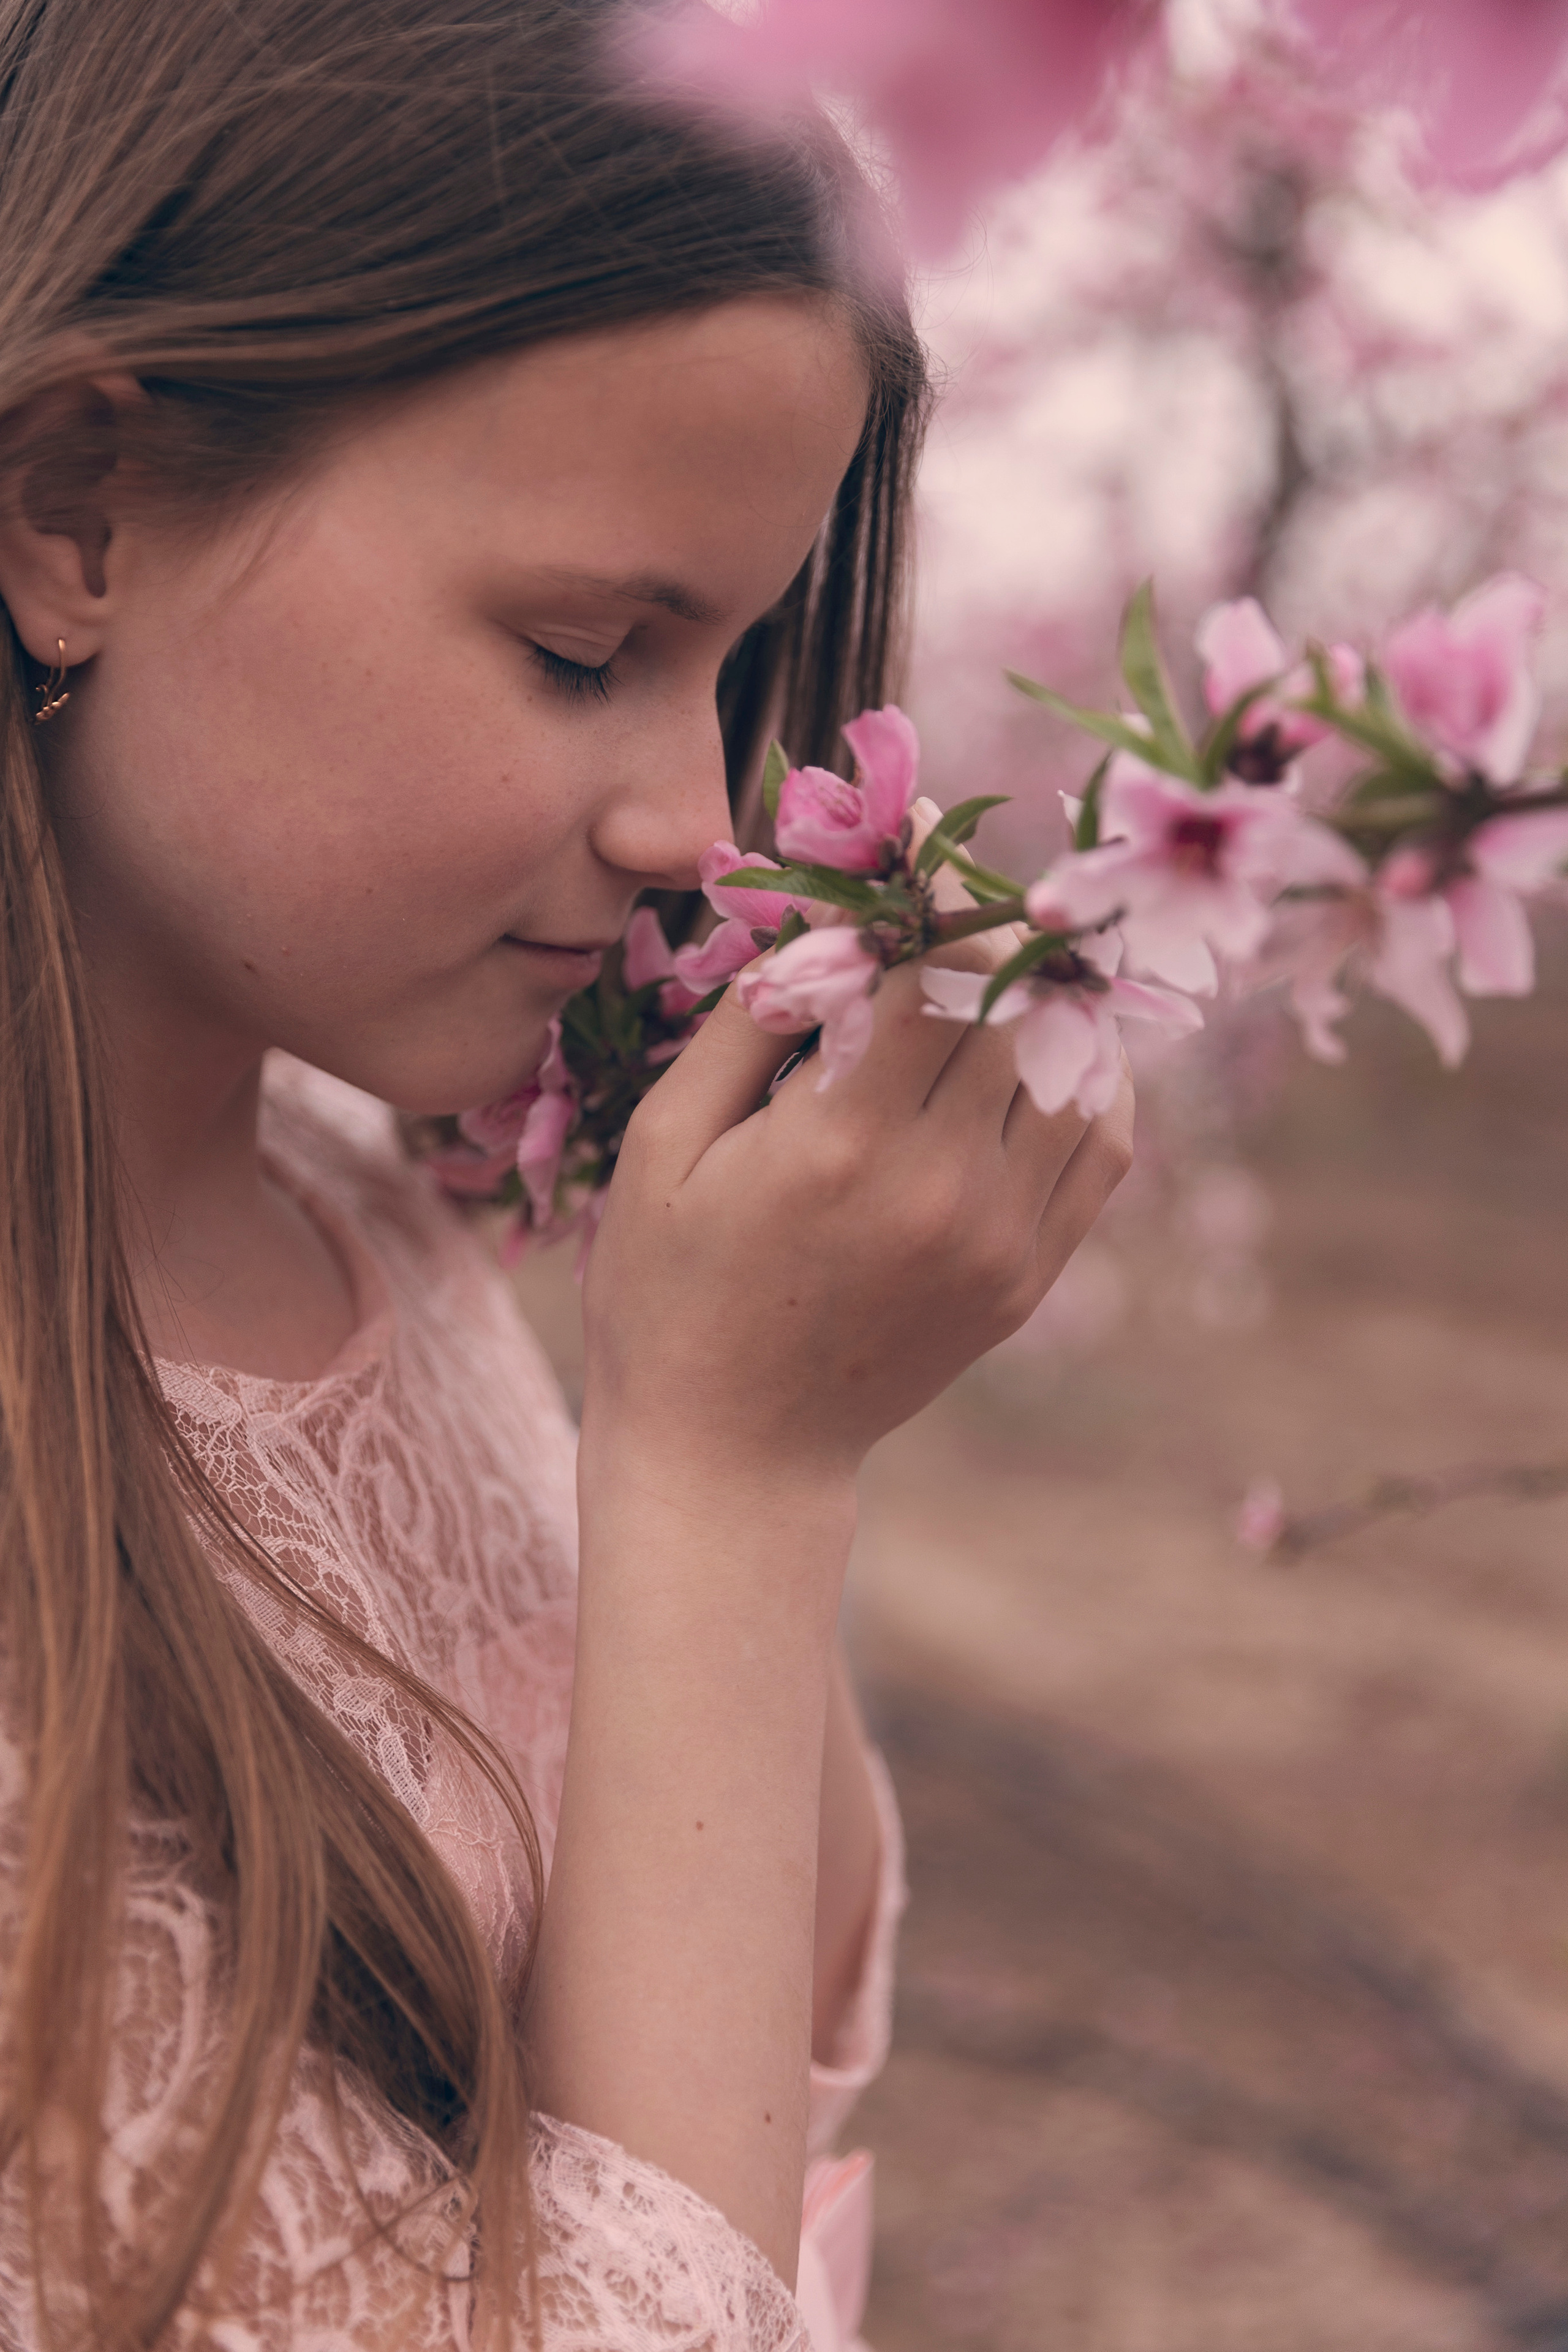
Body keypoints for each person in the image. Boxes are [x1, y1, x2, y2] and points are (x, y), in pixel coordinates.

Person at [0, 1, 1133, 2343]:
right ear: (77, 514)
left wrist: (725, 1401)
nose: (697, 827)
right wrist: (730, 1472)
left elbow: (768, 2023)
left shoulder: (360, 1198)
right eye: (583, 646)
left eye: (725, 674)